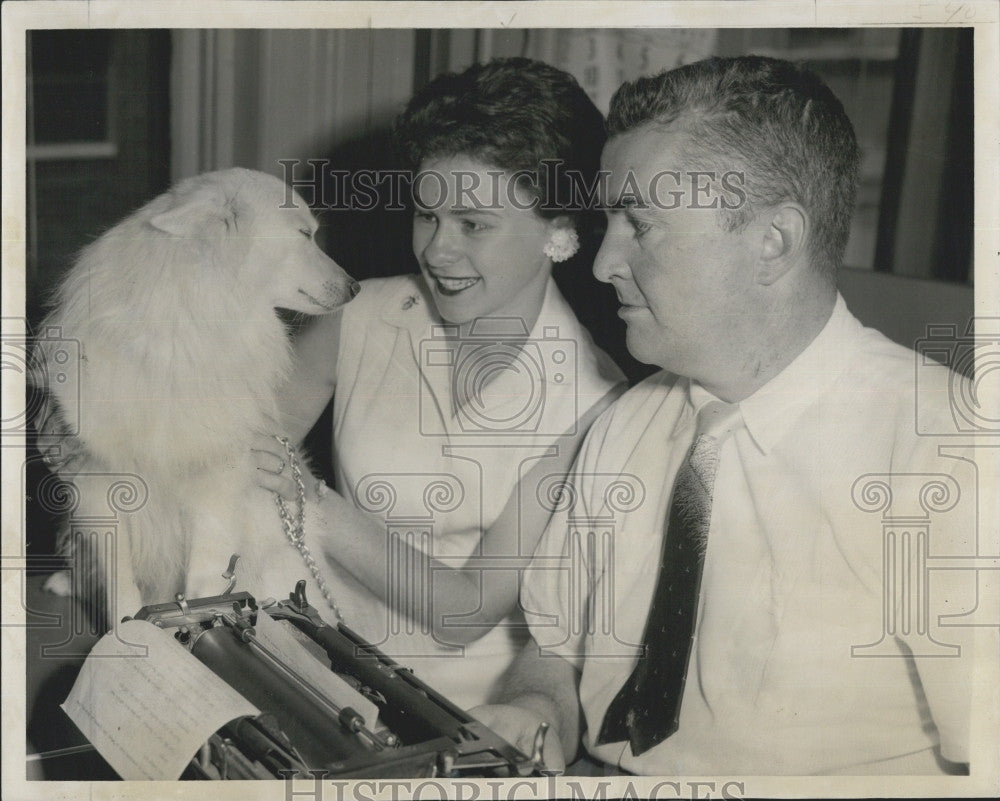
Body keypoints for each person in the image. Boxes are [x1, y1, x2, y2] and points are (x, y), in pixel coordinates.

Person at [473, 55, 976, 775]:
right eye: (607, 220)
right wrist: (533, 710)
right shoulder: (631, 419)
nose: (602, 262)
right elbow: (555, 648)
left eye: (638, 224)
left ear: (773, 241)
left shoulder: (948, 454)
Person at [254, 57, 626, 710]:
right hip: (322, 661)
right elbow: (251, 440)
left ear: (560, 232)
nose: (436, 250)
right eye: (427, 215)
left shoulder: (595, 401)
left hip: (474, 713)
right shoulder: (359, 314)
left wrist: (312, 502)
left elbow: (468, 609)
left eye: (473, 224)